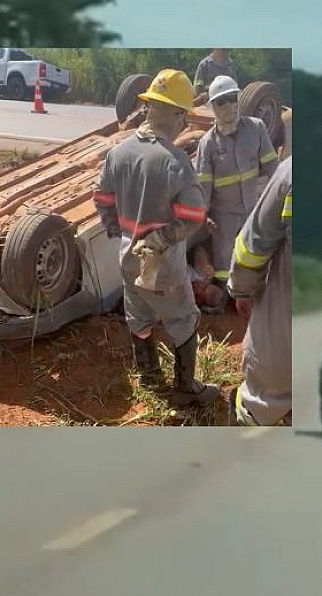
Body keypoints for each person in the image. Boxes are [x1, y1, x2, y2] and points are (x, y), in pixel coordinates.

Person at [92, 68, 220, 406]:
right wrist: (163, 239)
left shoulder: (118, 153)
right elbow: (193, 215)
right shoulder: (176, 162)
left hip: (128, 254)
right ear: (177, 115)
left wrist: (116, 229)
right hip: (162, 262)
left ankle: (148, 375)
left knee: (138, 314)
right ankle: (186, 389)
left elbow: (101, 196)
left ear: (149, 107)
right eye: (184, 116)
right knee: (184, 317)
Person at [194, 74, 279, 297]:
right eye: (222, 101)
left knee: (255, 251)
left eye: (233, 98)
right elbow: (203, 184)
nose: (230, 106)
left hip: (252, 208)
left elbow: (273, 168)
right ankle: (225, 296)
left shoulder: (256, 128)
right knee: (224, 259)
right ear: (213, 106)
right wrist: (204, 216)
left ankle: (255, 292)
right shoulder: (208, 144)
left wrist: (281, 200)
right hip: (223, 215)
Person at [225, 156, 292, 426]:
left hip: (285, 338)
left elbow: (250, 249)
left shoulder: (293, 172)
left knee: (256, 406)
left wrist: (242, 290)